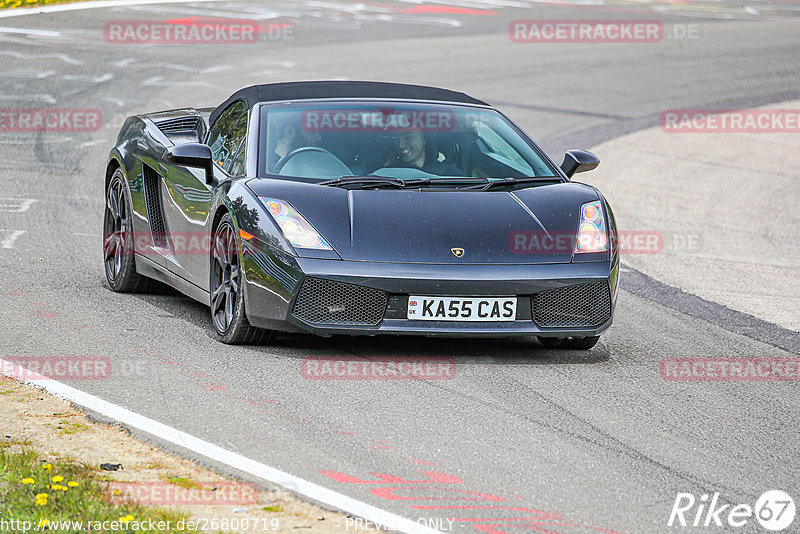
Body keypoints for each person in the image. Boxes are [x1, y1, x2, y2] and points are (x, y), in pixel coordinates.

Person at [385, 130, 464, 176]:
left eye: (408, 137)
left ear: (424, 139)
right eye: (396, 138)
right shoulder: (386, 176)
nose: (400, 145)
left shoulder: (452, 175)